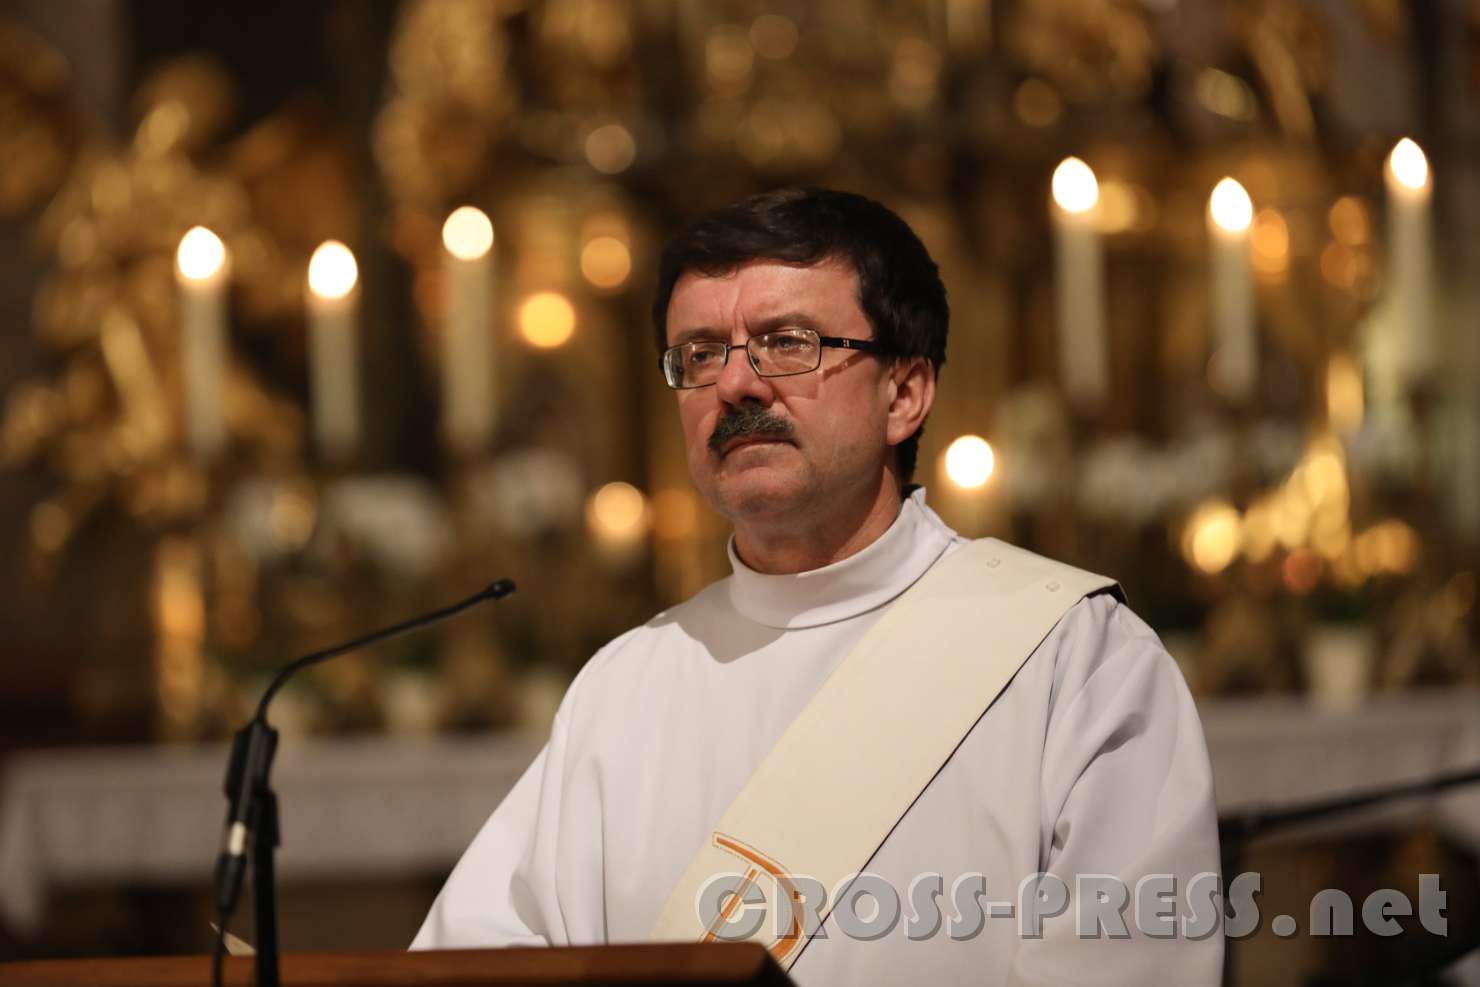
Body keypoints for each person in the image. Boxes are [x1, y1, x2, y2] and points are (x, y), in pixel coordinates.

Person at [412, 188, 1222, 984]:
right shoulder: (624, 687)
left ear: (904, 393)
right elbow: (477, 962)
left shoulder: (1072, 658)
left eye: (787, 342)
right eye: (698, 354)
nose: (735, 385)